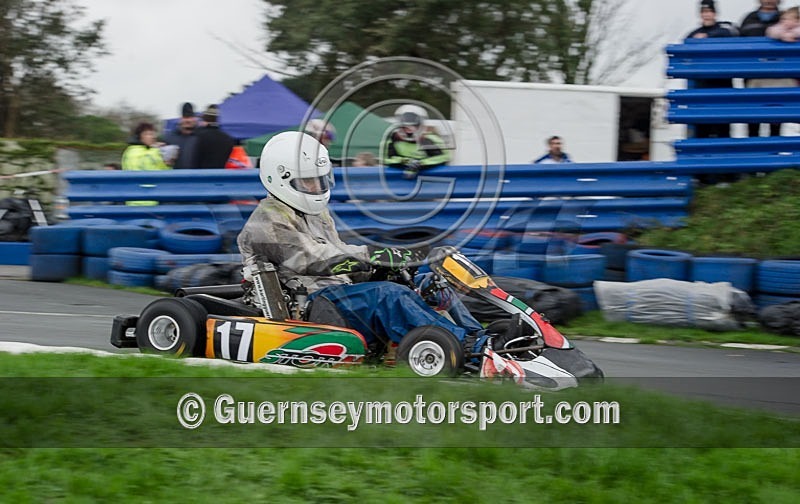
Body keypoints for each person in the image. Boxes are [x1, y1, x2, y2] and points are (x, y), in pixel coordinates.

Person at [236, 131, 483, 347]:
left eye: (319, 179)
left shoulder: (315, 213)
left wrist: (384, 265)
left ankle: (479, 336)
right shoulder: (264, 222)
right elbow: (312, 260)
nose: (316, 186)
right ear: (279, 178)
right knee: (387, 295)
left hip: (339, 295)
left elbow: (338, 253)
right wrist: (370, 255)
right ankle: (463, 346)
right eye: (308, 181)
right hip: (309, 309)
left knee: (430, 282)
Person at [685, 0, 739, 139]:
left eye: (709, 12)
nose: (707, 15)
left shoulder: (724, 30)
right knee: (702, 127)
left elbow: (731, 34)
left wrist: (707, 38)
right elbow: (686, 43)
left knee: (723, 126)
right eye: (704, 12)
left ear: (715, 13)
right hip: (701, 87)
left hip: (722, 85)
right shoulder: (693, 34)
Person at [740, 0, 784, 137]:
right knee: (753, 120)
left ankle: (774, 154)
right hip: (754, 77)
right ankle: (753, 154)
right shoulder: (748, 19)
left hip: (778, 77)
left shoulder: (786, 18)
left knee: (776, 122)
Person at [381, 111, 451, 179]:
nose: (409, 130)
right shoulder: (393, 140)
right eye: (405, 127)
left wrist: (420, 163)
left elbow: (444, 157)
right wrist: (404, 161)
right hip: (400, 179)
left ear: (419, 127)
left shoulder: (430, 139)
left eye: (413, 126)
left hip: (429, 179)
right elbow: (386, 159)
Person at [120, 122, 170, 205]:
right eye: (148, 134)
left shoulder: (129, 151)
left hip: (133, 199)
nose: (153, 137)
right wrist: (159, 151)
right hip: (146, 200)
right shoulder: (140, 153)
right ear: (140, 137)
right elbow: (160, 173)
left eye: (153, 134)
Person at [191, 104, 236, 168]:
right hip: (221, 175)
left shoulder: (198, 136)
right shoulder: (228, 139)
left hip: (201, 175)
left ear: (204, 120)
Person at [162, 102, 199, 169]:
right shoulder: (170, 138)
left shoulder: (201, 137)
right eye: (185, 117)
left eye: (190, 117)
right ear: (180, 119)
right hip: (176, 177)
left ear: (194, 119)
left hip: (197, 176)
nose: (188, 120)